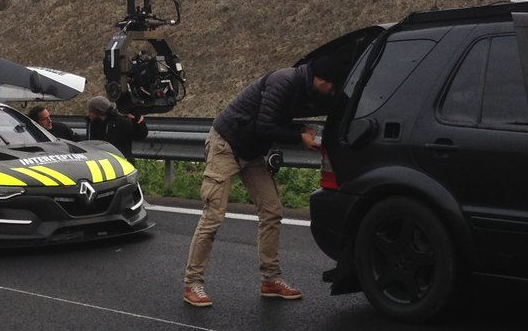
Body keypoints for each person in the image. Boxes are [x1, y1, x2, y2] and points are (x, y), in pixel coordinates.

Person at [182, 55, 349, 307]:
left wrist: (301, 130)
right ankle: (192, 283)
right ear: (321, 79)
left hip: (251, 151)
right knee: (213, 215)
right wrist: (299, 137)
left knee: (272, 210)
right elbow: (265, 126)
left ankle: (271, 280)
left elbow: (276, 120)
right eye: (332, 86)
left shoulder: (306, 90)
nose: (332, 92)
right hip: (226, 145)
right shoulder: (284, 81)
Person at [84, 95, 148, 161]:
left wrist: (138, 122)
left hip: (121, 163)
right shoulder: (91, 124)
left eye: (90, 111)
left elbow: (140, 135)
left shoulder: (121, 122)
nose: (88, 114)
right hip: (99, 162)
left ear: (98, 112)